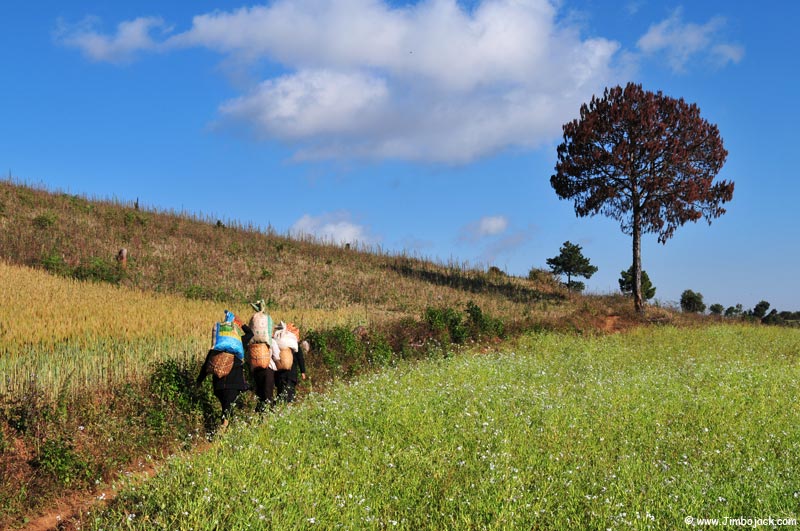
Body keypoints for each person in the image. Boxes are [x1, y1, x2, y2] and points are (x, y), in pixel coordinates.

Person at [196, 316, 252, 428]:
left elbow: (206, 367)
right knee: (227, 410)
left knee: (226, 408)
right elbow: (250, 334)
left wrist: (198, 382)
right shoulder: (239, 343)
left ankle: (225, 428)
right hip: (233, 384)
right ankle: (223, 429)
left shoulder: (215, 350)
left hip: (218, 386)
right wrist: (241, 324)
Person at [274, 324, 307, 403]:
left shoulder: (278, 342)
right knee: (290, 391)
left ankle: (281, 406)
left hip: (279, 372)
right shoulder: (294, 343)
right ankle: (288, 405)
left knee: (281, 390)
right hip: (291, 372)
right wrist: (303, 371)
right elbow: (300, 358)